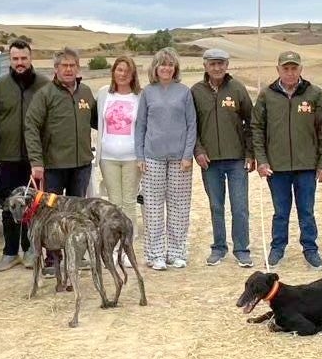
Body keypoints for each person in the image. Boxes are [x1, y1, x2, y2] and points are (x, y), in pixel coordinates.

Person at [252, 50, 322, 269]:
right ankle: (277, 248)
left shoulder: (314, 94)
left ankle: (310, 249)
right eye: (285, 68)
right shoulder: (266, 95)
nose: (289, 72)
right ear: (278, 70)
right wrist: (262, 160)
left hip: (307, 165)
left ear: (300, 70)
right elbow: (257, 128)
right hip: (276, 167)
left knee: (306, 210)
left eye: (293, 68)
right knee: (280, 211)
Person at [0, 39, 48, 271]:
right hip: (7, 157)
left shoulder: (44, 84)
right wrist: (0, 143)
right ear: (10, 60)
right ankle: (10, 251)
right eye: (15, 59)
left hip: (36, 159)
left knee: (34, 206)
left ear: (30, 58)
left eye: (23, 58)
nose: (20, 63)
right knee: (8, 206)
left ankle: (32, 249)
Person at [134, 47, 196, 271]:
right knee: (152, 207)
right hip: (152, 157)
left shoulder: (184, 92)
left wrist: (188, 154)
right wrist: (140, 155)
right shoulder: (148, 93)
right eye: (162, 64)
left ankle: (177, 253)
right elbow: (140, 125)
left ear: (175, 68)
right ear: (156, 68)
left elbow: (192, 125)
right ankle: (155, 254)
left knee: (179, 207)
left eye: (170, 65)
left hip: (180, 159)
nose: (166, 68)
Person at [191, 47, 255, 268]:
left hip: (237, 160)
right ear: (205, 66)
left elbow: (251, 122)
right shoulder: (196, 92)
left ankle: (242, 249)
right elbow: (193, 126)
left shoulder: (237, 89)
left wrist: (250, 153)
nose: (217, 68)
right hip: (209, 161)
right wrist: (198, 150)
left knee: (239, 207)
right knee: (216, 206)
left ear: (227, 65)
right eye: (212, 64)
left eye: (221, 63)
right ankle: (219, 248)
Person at [26, 47, 97, 197]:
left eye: (72, 65)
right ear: (56, 68)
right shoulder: (45, 94)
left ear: (78, 68)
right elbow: (31, 127)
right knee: (52, 212)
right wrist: (36, 162)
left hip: (81, 166)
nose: (68, 70)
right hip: (54, 167)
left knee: (77, 212)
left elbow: (98, 121)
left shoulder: (86, 92)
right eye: (64, 66)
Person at [96, 56, 141, 266]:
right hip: (108, 157)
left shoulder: (140, 97)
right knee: (114, 204)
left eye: (127, 71)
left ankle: (128, 248)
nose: (122, 74)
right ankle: (113, 249)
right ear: (114, 72)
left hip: (132, 157)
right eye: (119, 70)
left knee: (129, 202)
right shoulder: (104, 93)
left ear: (133, 75)